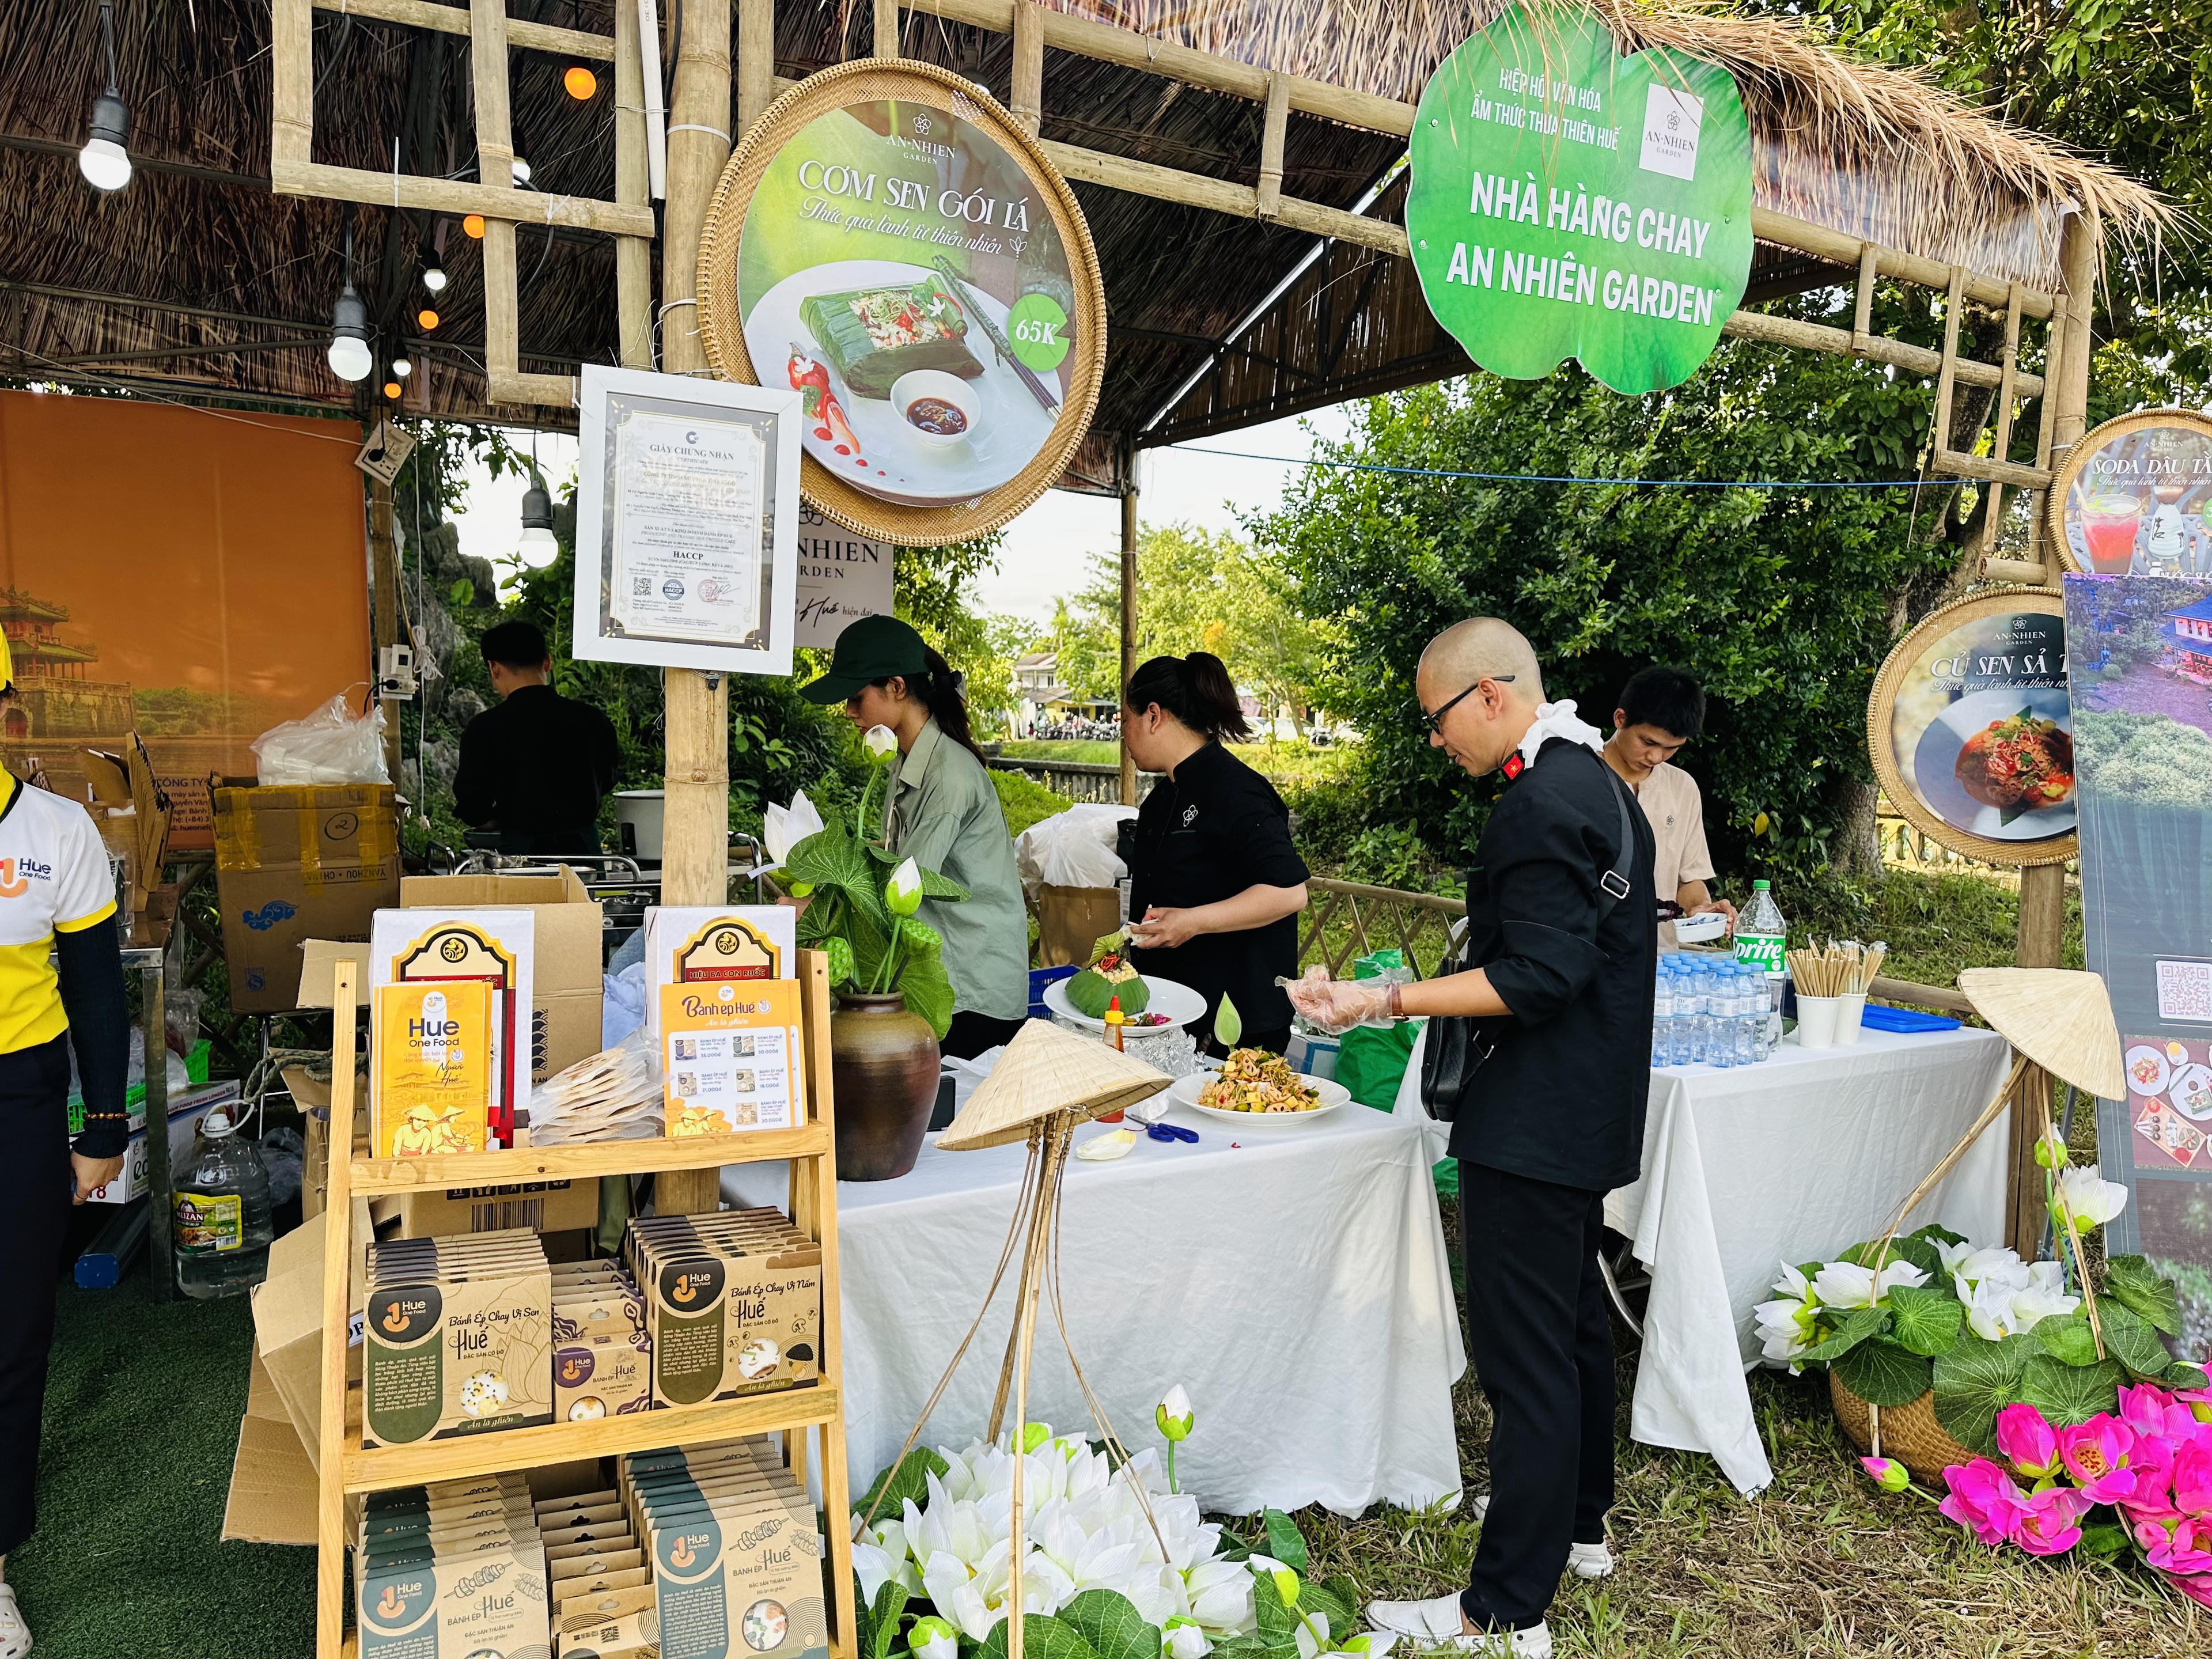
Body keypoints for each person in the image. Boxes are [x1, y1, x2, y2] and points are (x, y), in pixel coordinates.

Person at [1287, 619, 1655, 1659]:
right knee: (1573, 1325)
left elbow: (1539, 974)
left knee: (1523, 1357)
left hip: (1534, 1117)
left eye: (1437, 717)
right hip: (1588, 1106)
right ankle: (1578, 1523)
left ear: (1491, 694)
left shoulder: (1540, 802)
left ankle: (1501, 1613)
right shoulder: (1597, 783)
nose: (1435, 739)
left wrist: (1381, 998)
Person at [0, 630, 127, 1658]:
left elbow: (94, 990)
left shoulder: (56, 831)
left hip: (19, 1101)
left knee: (11, 1333)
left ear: (8, 713)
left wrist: (105, 1127)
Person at [800, 616, 1029, 1060]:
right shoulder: (906, 760)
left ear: (897, 688)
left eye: (856, 697)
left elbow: (906, 886)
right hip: (945, 978)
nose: (849, 712)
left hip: (972, 991)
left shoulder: (947, 775)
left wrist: (819, 911)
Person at [1120, 653, 1309, 1054]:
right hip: (1170, 1014)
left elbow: (1289, 892)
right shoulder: (1159, 802)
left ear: (1153, 716)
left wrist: (1192, 922)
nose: (1124, 736)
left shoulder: (1237, 792)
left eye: (1125, 722)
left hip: (1236, 1028)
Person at [453, 620, 620, 857]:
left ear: (494, 667)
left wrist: (500, 816)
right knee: (582, 885)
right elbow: (608, 780)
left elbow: (473, 807)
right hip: (584, 855)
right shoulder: (593, 720)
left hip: (521, 859)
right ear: (547, 662)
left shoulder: (484, 728)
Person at [1601, 666, 1733, 950]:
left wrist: (1700, 908)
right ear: (1620, 719)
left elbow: (1688, 879)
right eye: (1648, 742)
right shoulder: (1579, 777)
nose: (1656, 756)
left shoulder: (1682, 788)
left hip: (1660, 959)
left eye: (1671, 748)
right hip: (1589, 958)